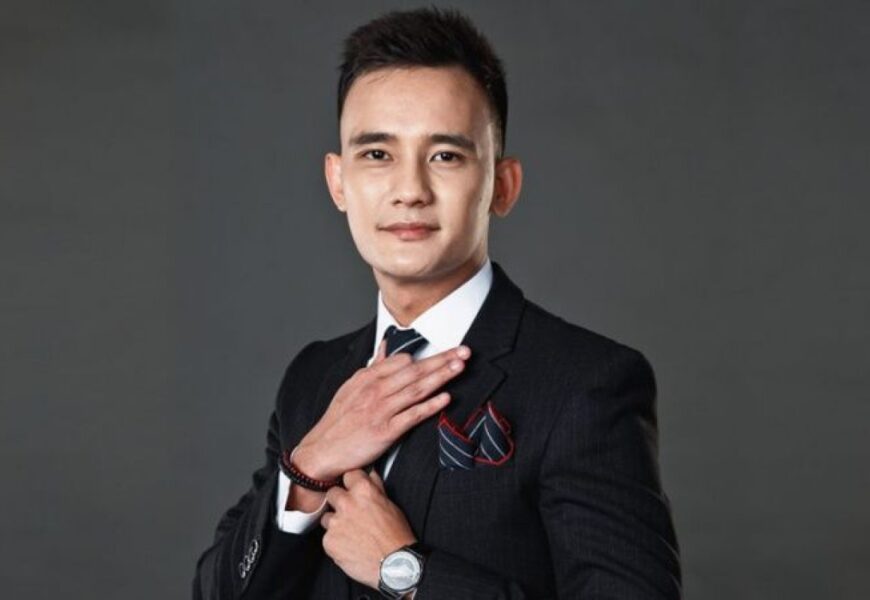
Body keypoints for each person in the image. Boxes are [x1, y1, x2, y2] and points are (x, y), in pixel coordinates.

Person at [193, 7, 681, 599]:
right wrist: (308, 468)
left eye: (445, 155)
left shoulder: (585, 383)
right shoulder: (313, 378)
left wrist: (405, 570)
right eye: (377, 155)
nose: (410, 191)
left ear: (502, 185)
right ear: (338, 181)